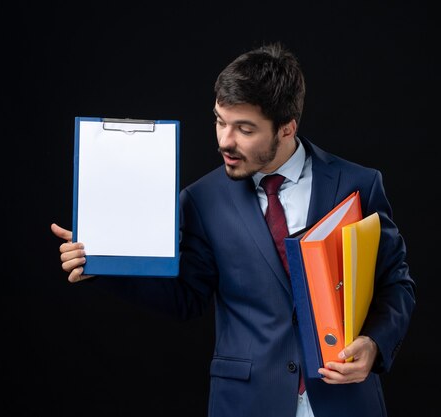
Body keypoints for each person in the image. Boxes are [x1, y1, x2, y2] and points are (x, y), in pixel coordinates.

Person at [51, 42, 416, 417]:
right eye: (220, 121)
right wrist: (102, 262)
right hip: (247, 402)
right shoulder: (201, 199)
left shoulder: (359, 184)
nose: (225, 141)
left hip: (345, 400)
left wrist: (374, 344)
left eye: (244, 129)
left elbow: (396, 284)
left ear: (287, 128)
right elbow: (186, 298)